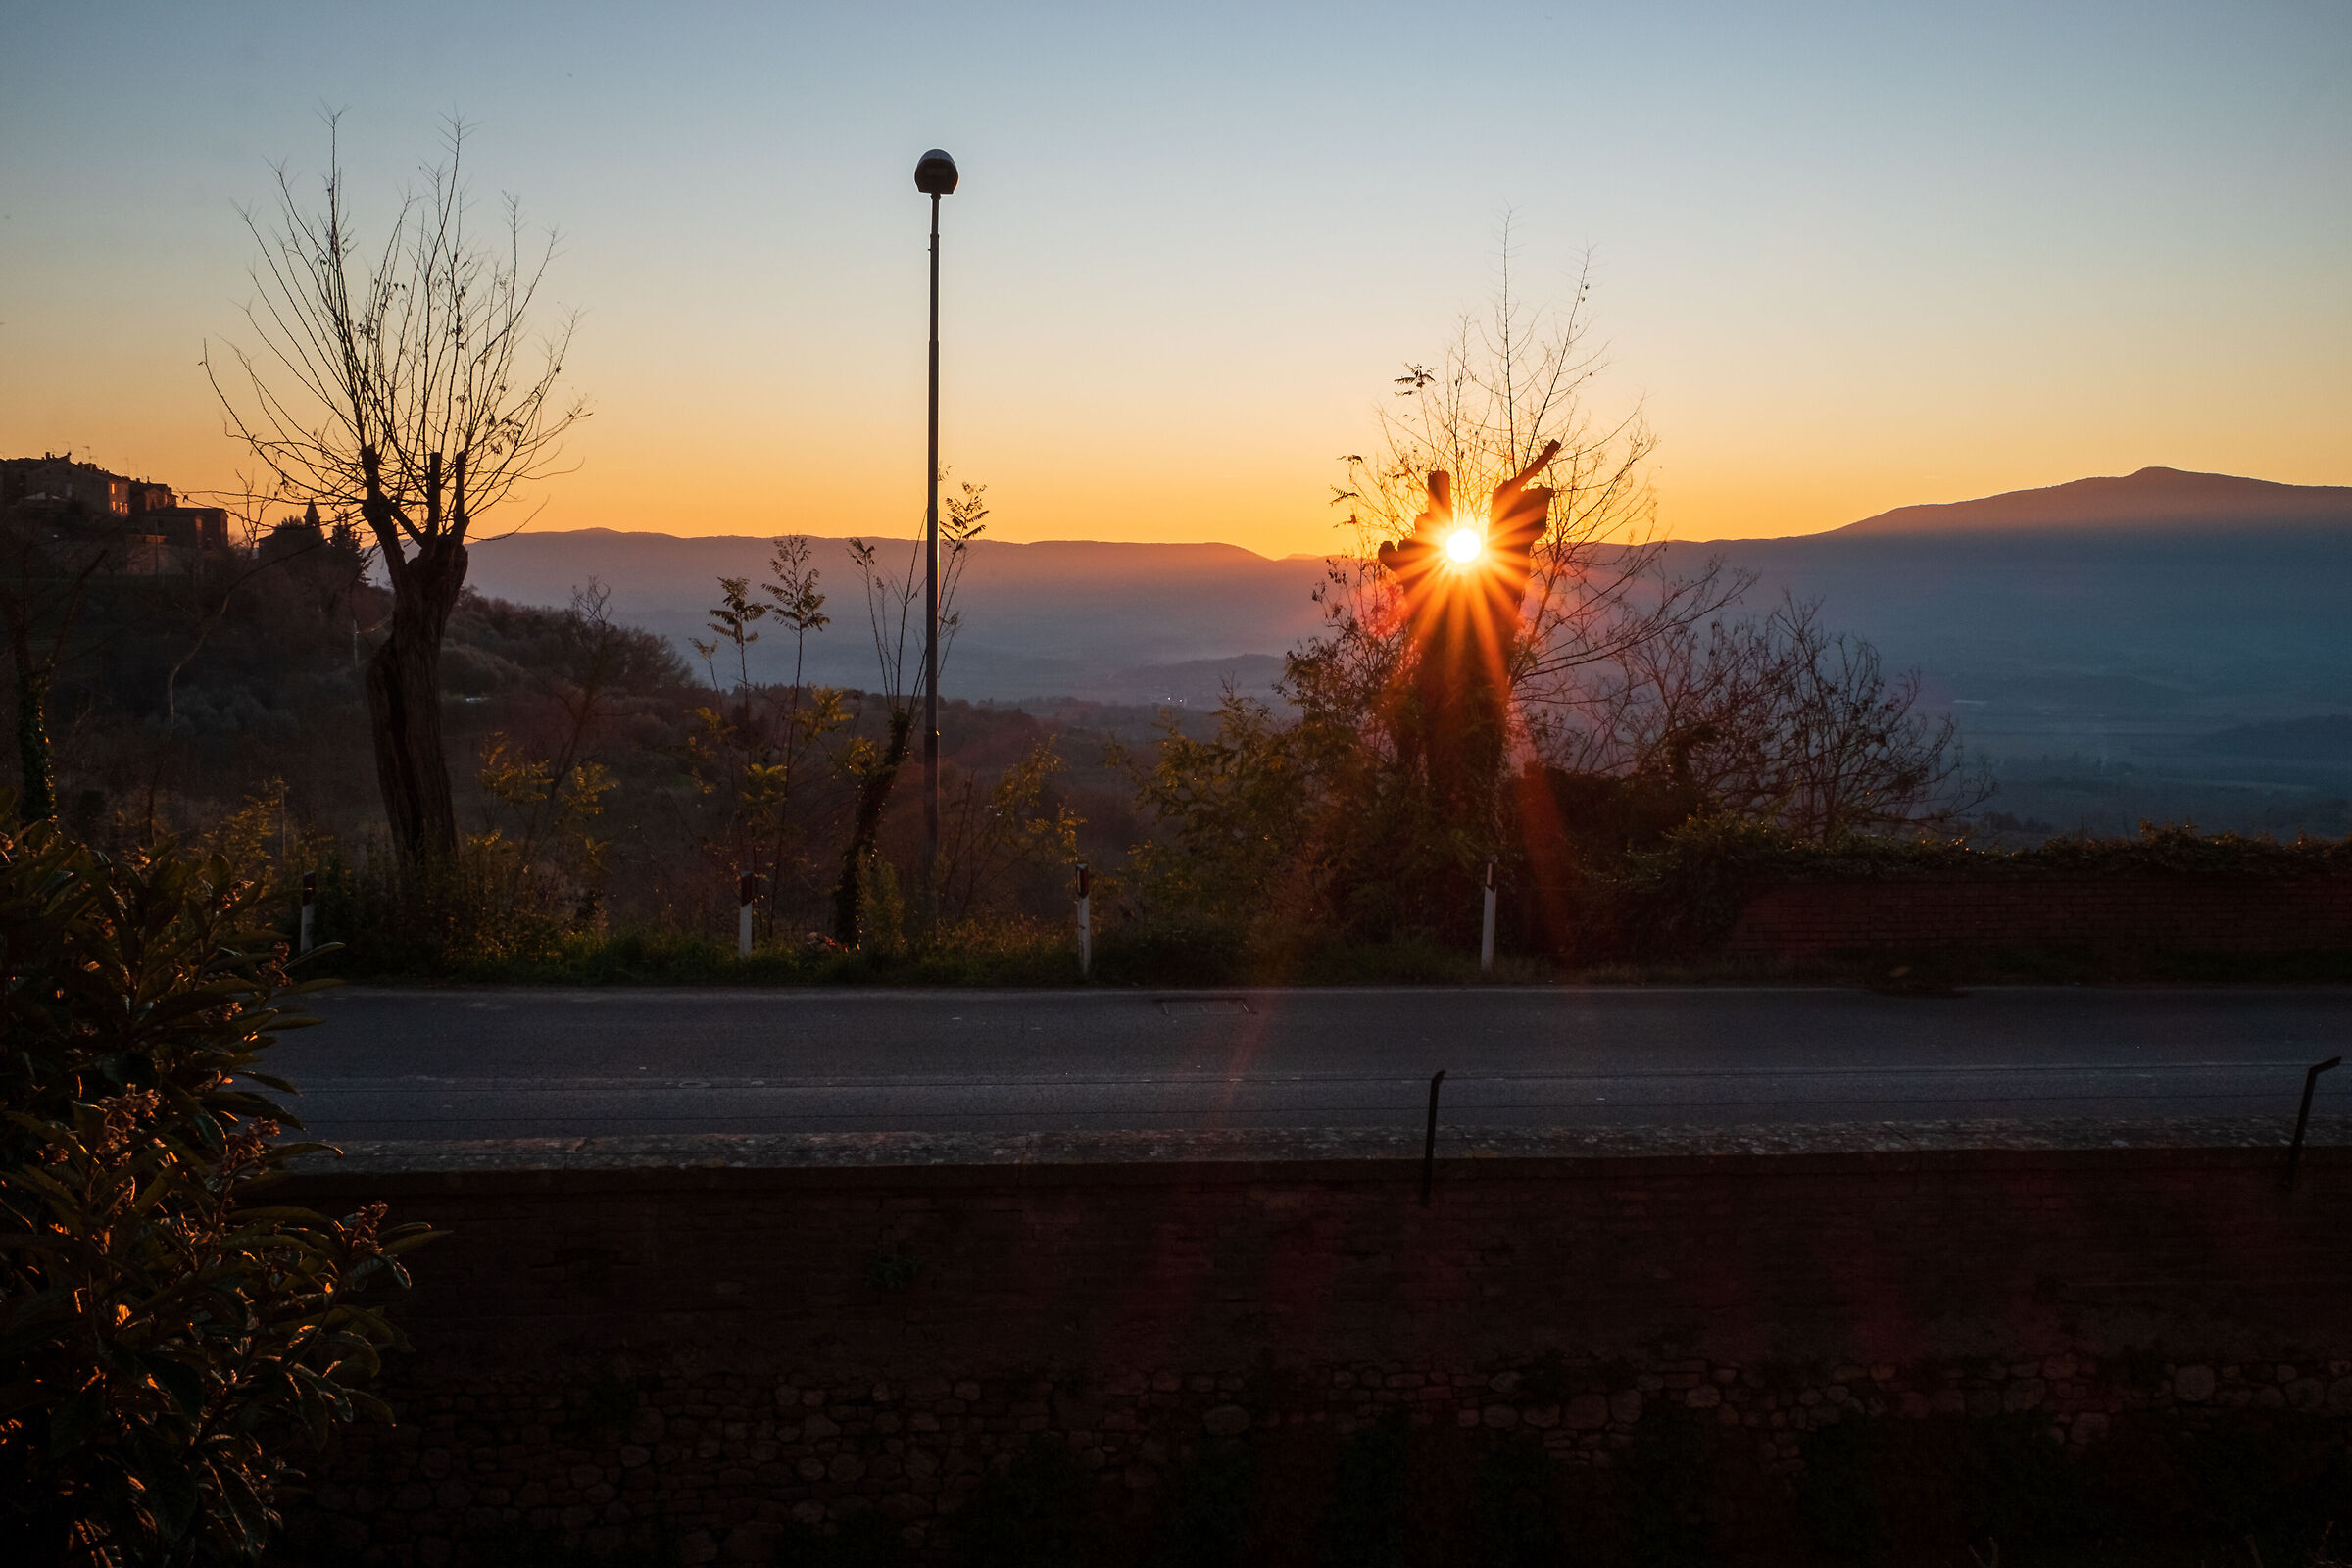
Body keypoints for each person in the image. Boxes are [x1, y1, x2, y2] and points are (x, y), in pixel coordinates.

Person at [1375, 441, 1559, 814]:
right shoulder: (1487, 577)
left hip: (1452, 678)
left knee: (1457, 762)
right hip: (1456, 678)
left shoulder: (1480, 580)